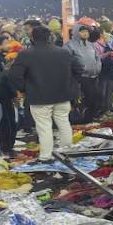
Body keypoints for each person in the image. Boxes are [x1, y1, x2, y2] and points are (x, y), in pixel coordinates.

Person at [10, 26, 83, 163]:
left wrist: (24, 89)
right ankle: (67, 151)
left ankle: (46, 156)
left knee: (44, 127)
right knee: (63, 122)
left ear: (32, 38)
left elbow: (14, 76)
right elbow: (79, 69)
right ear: (50, 37)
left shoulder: (26, 54)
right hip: (62, 95)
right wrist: (70, 83)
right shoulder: (63, 52)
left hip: (38, 96)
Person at [65, 24, 101, 123]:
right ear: (76, 32)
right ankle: (83, 119)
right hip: (81, 77)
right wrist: (79, 71)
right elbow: (67, 61)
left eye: (87, 31)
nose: (85, 33)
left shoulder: (91, 45)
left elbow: (97, 57)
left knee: (95, 98)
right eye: (82, 31)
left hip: (94, 76)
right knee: (84, 100)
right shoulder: (69, 45)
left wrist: (98, 68)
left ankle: (90, 118)